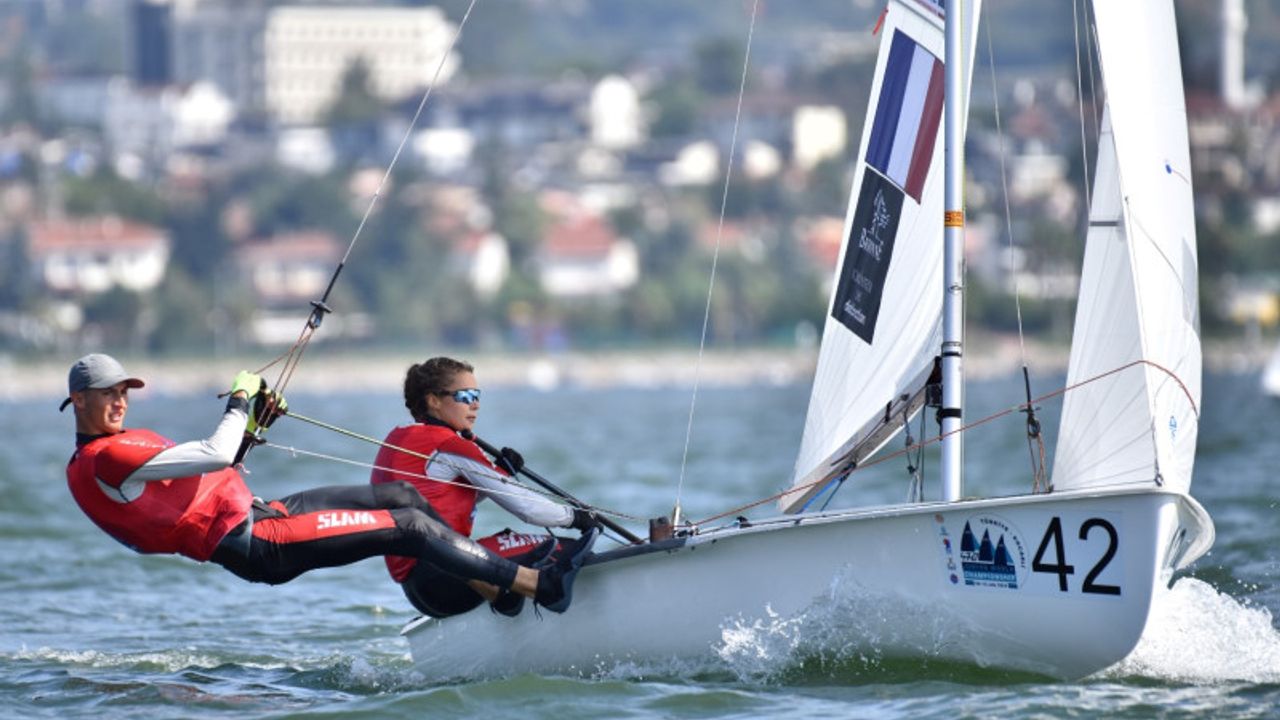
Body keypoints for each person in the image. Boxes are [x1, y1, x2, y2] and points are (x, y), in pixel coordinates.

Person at [61, 352, 594, 614]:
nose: (120, 400)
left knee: (400, 497)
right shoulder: (106, 458)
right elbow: (215, 450)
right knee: (407, 525)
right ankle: (537, 585)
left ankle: (483, 583)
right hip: (256, 543)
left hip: (261, 511)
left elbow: (219, 465)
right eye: (107, 393)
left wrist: (257, 423)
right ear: (78, 400)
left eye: (124, 390)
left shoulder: (116, 453)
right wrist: (240, 400)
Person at [370, 357, 601, 618]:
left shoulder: (398, 438)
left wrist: (500, 471)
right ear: (433, 400)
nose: (476, 404)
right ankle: (525, 598)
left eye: (477, 395)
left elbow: (443, 498)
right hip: (449, 574)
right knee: (566, 549)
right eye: (465, 396)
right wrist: (576, 517)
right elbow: (526, 508)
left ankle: (506, 598)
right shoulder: (448, 444)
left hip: (418, 590)